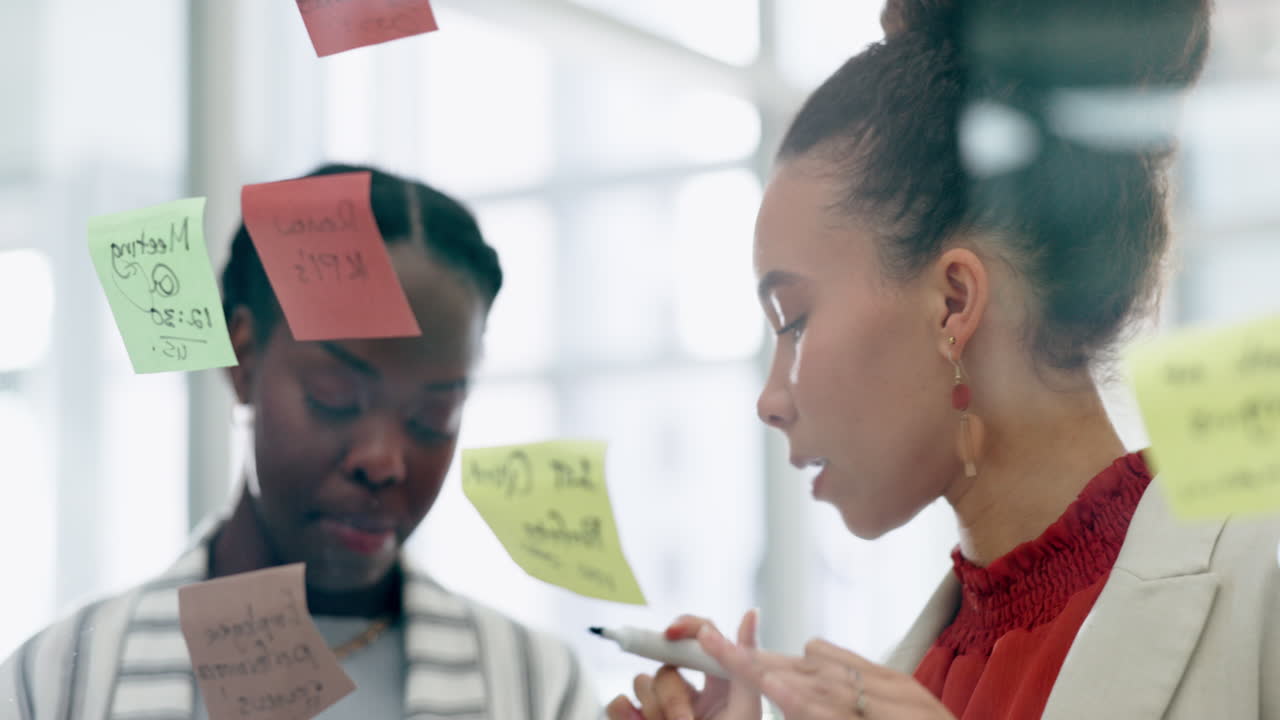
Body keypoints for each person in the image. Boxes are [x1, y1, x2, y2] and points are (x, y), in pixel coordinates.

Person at [607, 1, 1280, 719]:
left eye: (795, 321)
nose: (770, 401)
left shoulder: (1262, 589)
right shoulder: (912, 677)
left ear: (954, 302)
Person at [1, 164, 597, 720]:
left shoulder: (542, 689)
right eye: (335, 397)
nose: (383, 462)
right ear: (243, 356)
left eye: (433, 417)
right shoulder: (54, 683)